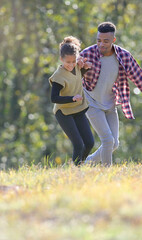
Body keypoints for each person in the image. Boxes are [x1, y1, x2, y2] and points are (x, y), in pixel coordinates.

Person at [79, 22, 142, 166]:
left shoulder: (123, 56)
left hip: (110, 105)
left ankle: (85, 164)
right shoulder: (87, 54)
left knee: (114, 143)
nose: (101, 44)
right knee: (107, 140)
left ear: (113, 40)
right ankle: (107, 173)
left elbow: (139, 77)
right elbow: (70, 72)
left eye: (106, 41)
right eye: (98, 40)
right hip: (92, 103)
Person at [49, 36, 94, 166]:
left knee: (89, 142)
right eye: (67, 62)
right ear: (61, 59)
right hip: (64, 113)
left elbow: (76, 77)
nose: (70, 65)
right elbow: (54, 98)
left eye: (73, 61)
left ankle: (79, 165)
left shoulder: (77, 66)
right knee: (78, 144)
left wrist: (86, 67)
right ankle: (75, 170)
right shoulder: (58, 76)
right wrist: (72, 98)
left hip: (78, 110)